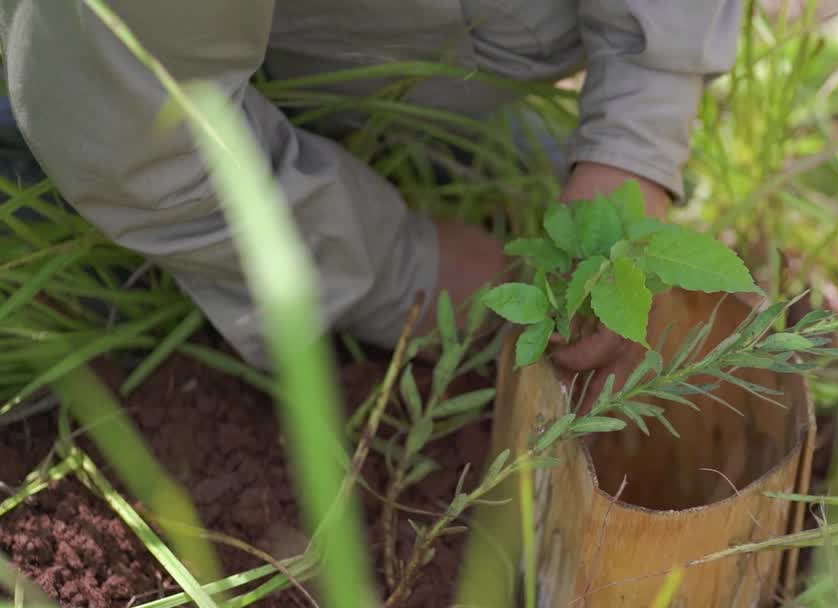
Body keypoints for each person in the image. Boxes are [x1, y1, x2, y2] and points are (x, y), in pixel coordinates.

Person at [0, 1, 742, 389]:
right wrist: (407, 270)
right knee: (101, 308)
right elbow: (123, 109)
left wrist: (634, 138)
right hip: (101, 84)